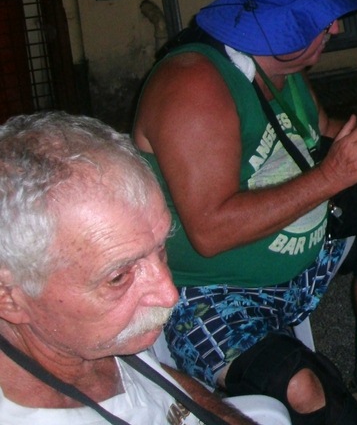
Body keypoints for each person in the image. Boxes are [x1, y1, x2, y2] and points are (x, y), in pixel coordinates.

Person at [132, 0, 357, 425]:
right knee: (306, 391)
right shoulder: (193, 87)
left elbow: (319, 132)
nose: (336, 27)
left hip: (299, 255)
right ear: (279, 25)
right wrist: (328, 178)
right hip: (213, 292)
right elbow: (210, 230)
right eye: (321, 19)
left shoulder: (280, 63)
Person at [0, 111, 289, 425]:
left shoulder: (88, 337)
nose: (169, 294)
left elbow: (157, 382)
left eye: (161, 248)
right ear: (9, 298)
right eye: (119, 277)